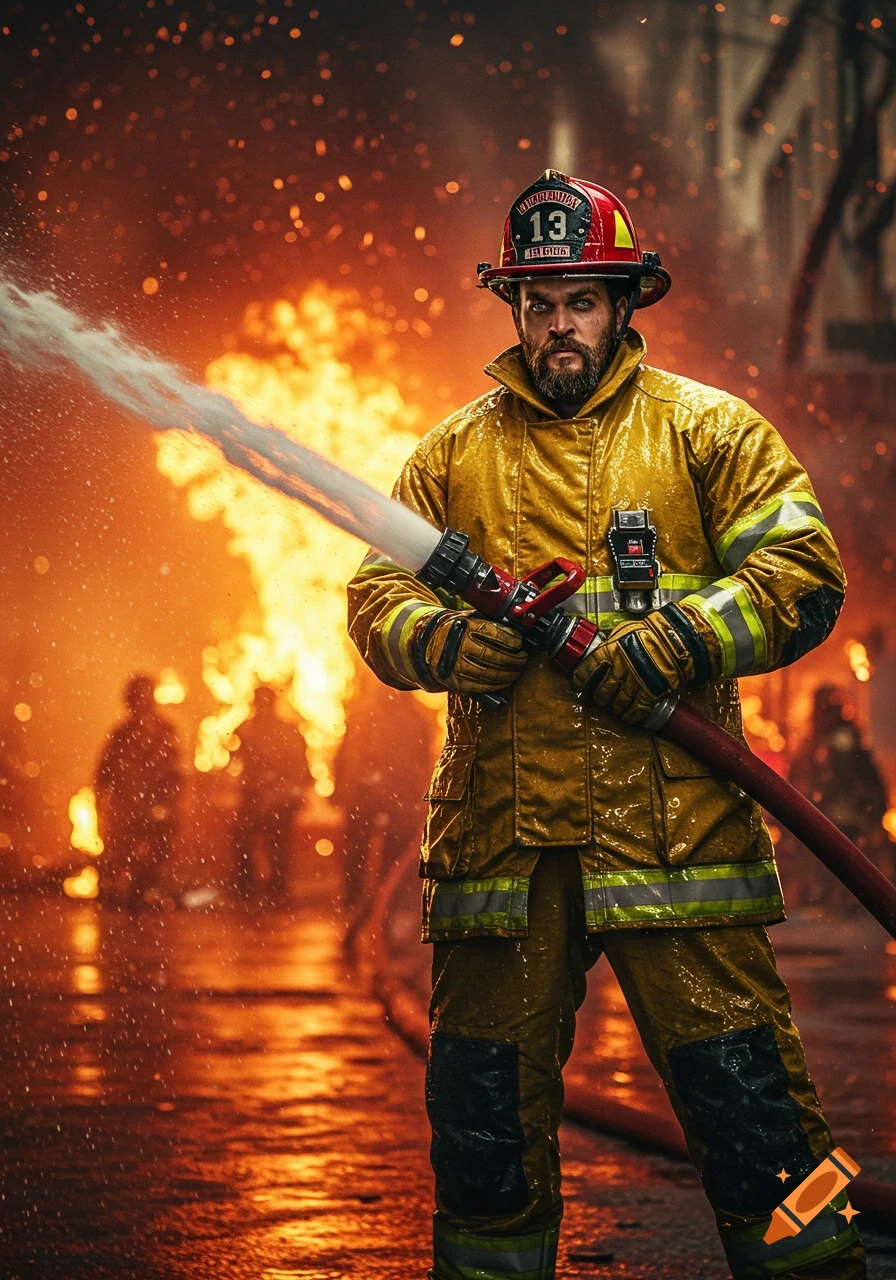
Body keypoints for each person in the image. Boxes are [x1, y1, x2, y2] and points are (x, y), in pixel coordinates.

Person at [347, 170, 864, 1280]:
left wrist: (677, 641)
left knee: (755, 1121)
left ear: (625, 302)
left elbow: (801, 572)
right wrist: (450, 646)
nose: (557, 324)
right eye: (538, 303)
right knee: (481, 1130)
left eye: (581, 299)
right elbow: (375, 600)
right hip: (501, 855)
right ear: (513, 309)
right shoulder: (450, 455)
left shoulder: (707, 433)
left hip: (673, 849)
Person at [333, 662, 436, 923]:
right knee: (368, 861)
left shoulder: (407, 717)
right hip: (375, 800)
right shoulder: (366, 715)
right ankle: (365, 913)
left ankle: (371, 914)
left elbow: (421, 761)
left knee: (387, 864)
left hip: (391, 800)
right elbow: (347, 756)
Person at [785, 685, 890, 909]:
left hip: (843, 817)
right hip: (829, 815)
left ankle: (838, 900)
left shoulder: (841, 739)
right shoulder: (820, 739)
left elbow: (841, 778)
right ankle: (828, 898)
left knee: (839, 862)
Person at [95, 673, 181, 905]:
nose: (141, 704)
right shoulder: (120, 735)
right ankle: (122, 895)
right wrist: (102, 805)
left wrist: (167, 804)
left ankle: (146, 893)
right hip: (127, 807)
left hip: (156, 806)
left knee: (155, 854)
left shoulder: (165, 731)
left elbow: (175, 773)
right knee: (121, 856)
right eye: (137, 698)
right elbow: (104, 774)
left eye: (146, 697)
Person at [231, 686, 310, 904]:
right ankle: (257, 888)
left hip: (274, 797)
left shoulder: (282, 730)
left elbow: (301, 766)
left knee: (273, 844)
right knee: (260, 843)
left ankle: (263, 888)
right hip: (260, 796)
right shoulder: (251, 729)